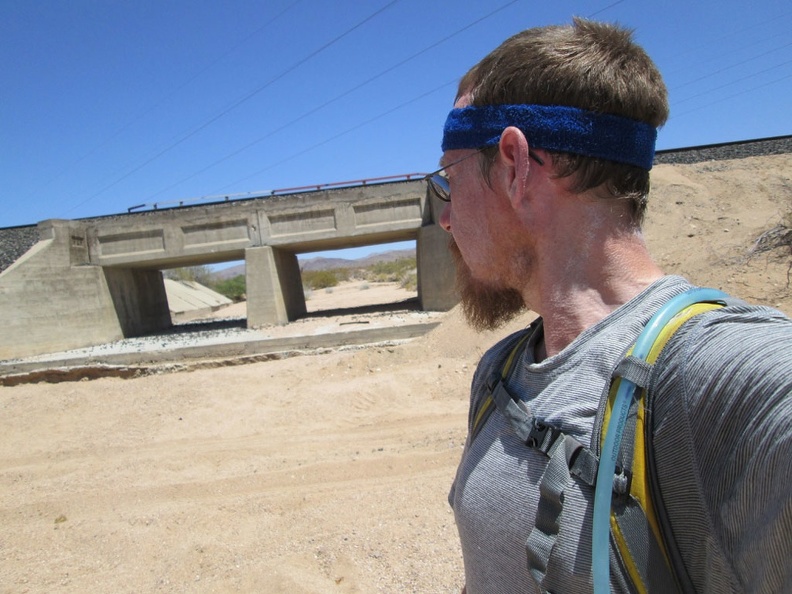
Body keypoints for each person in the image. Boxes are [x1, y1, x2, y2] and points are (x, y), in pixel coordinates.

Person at [429, 18, 792, 594]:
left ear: (515, 166)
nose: (445, 216)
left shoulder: (721, 376)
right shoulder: (500, 372)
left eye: (447, 180)